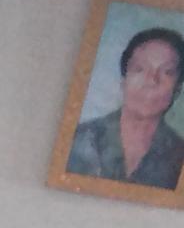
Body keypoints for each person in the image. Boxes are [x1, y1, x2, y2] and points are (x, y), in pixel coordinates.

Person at [67, 26, 184, 189]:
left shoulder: (179, 154)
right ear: (124, 80)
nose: (152, 81)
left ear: (177, 89)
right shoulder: (78, 138)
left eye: (167, 72)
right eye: (140, 69)